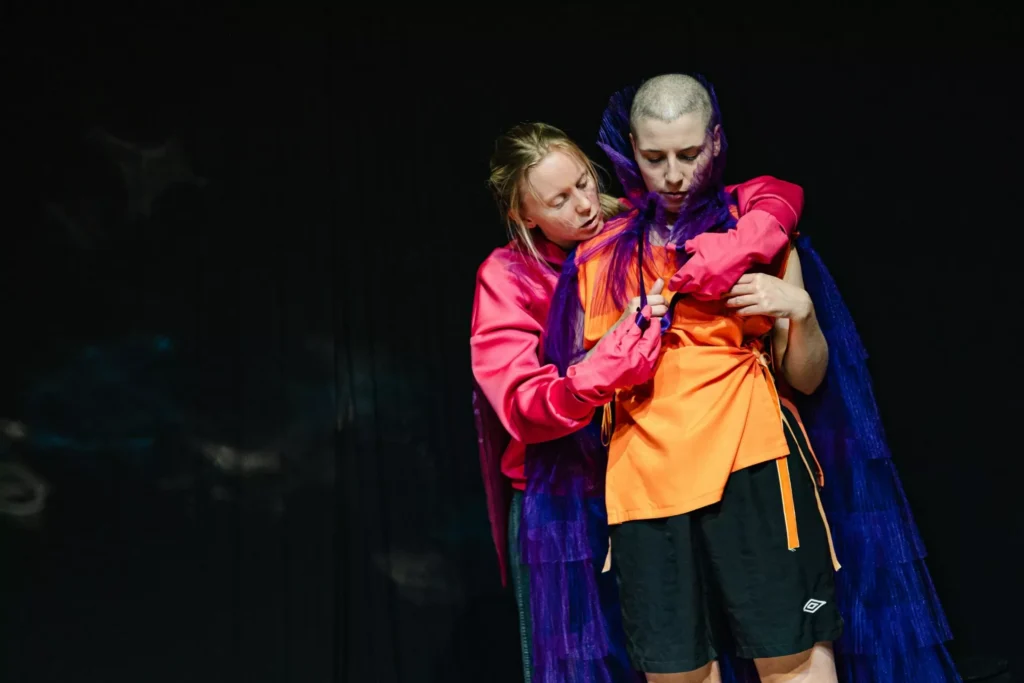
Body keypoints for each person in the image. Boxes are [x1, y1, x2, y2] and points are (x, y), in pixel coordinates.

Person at [527, 73, 961, 683]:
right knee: (678, 673)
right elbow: (573, 392)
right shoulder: (597, 257)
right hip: (646, 492)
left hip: (756, 470)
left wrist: (799, 311)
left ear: (716, 140)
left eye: (689, 153)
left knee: (794, 661)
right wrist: (606, 361)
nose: (673, 175)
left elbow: (806, 379)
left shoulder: (754, 230)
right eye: (654, 157)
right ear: (631, 149)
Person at [471, 121, 808, 683]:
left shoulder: (633, 220)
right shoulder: (508, 277)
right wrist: (599, 369)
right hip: (564, 501)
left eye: (584, 182)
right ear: (524, 216)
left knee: (689, 654)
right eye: (559, 201)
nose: (585, 205)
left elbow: (775, 192)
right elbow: (519, 403)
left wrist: (746, 238)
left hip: (655, 476)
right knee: (586, 662)